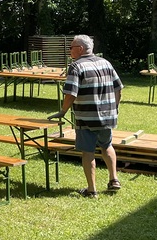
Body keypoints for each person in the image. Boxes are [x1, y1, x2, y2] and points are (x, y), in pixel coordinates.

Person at [48, 34, 123, 198]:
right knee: (107, 146)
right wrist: (114, 108)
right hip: (108, 116)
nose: (69, 51)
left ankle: (91, 190)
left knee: (88, 152)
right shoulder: (106, 63)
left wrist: (63, 111)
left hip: (86, 118)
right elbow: (118, 88)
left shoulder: (76, 66)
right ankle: (114, 180)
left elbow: (71, 93)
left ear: (80, 49)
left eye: (71, 48)